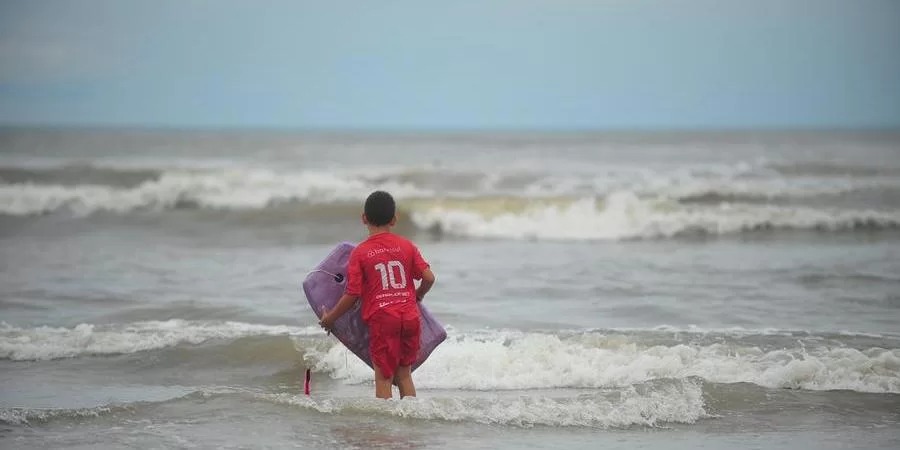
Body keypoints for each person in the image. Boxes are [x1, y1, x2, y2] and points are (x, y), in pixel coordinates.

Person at [319, 190, 436, 399]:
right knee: (404, 376)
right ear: (394, 219)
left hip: (384, 320)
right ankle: (410, 422)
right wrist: (418, 295)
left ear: (364, 218)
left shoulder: (360, 253)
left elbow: (352, 293)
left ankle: (384, 430)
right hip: (410, 318)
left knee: (384, 378)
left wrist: (330, 319)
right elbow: (429, 278)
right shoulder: (407, 246)